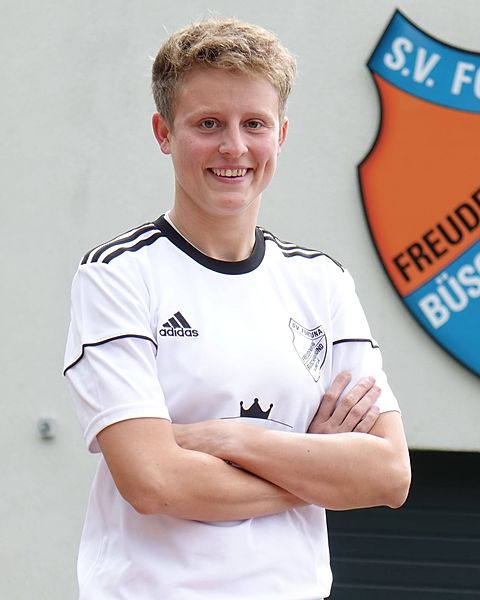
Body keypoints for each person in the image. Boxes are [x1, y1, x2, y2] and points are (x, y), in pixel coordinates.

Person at [63, 18, 411, 600]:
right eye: (208, 124)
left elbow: (389, 475)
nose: (234, 147)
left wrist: (223, 439)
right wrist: (315, 470)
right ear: (163, 132)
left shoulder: (322, 284)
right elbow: (153, 484)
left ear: (281, 134)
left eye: (255, 123)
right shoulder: (118, 275)